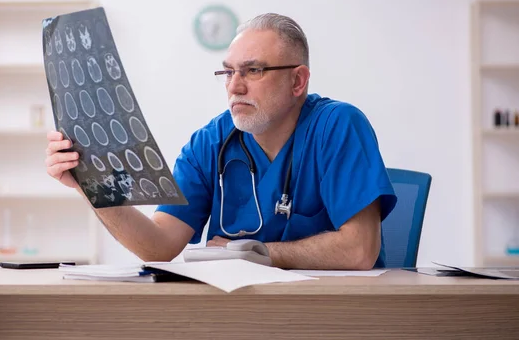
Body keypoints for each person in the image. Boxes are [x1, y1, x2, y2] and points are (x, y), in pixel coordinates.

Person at [45, 13, 397, 269]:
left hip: (337, 309)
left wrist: (257, 253)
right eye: (228, 72)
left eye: (253, 70)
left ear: (298, 82)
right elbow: (158, 246)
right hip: (241, 310)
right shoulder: (210, 142)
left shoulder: (337, 126)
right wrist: (90, 185)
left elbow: (359, 250)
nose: (234, 85)